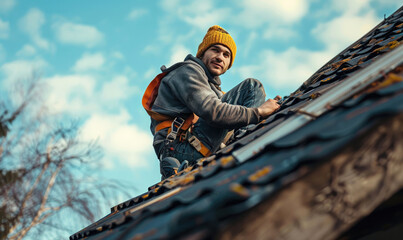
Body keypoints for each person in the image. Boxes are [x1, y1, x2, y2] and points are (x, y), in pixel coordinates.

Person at [143, 25, 281, 179]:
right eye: (215, 50)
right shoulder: (188, 72)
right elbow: (214, 111)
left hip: (194, 147)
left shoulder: (211, 88)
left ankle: (241, 139)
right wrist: (259, 112)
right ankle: (246, 141)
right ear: (202, 53)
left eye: (226, 55)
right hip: (181, 149)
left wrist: (270, 110)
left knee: (238, 108)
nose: (220, 57)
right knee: (251, 87)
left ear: (229, 64)